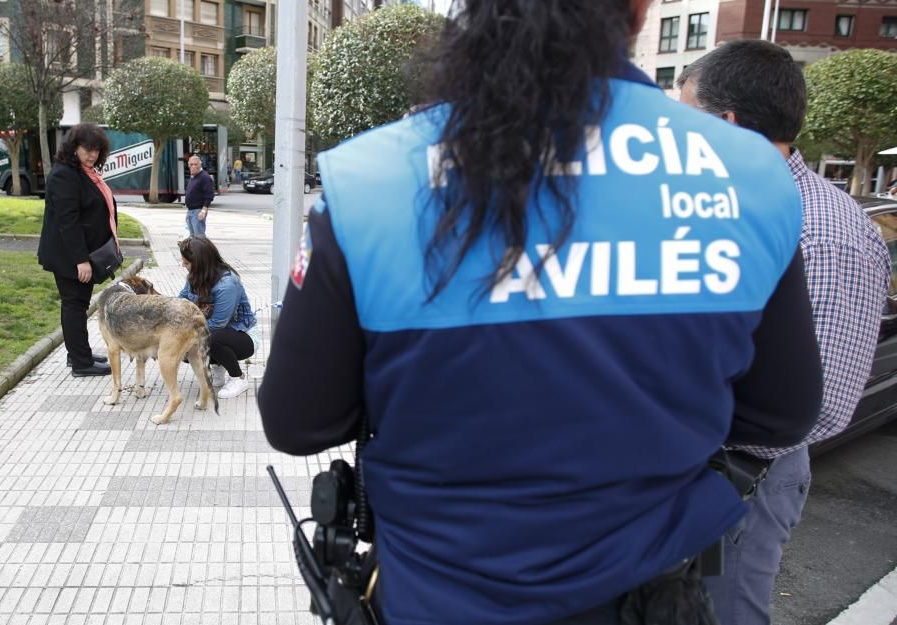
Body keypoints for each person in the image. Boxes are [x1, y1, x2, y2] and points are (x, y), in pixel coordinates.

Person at [258, 1, 824, 623]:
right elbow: (780, 415)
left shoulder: (370, 179)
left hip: (433, 598)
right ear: (638, 9)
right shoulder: (748, 175)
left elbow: (297, 422)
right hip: (647, 598)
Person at [676, 40, 890, 625]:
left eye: (683, 116)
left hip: (746, 475)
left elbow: (819, 406)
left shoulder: (825, 232)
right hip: (695, 464)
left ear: (727, 125)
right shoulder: (715, 207)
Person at [37, 123, 119, 377]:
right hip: (70, 257)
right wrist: (81, 260)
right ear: (74, 147)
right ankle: (81, 363)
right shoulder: (65, 174)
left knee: (78, 304)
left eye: (97, 150)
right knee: (74, 305)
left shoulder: (84, 172)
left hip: (81, 254)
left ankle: (78, 354)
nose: (92, 155)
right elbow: (68, 222)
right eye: (87, 149)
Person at [177, 236, 256, 400]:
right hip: (213, 331)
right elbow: (180, 301)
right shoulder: (194, 277)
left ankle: (238, 378)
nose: (182, 264)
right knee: (183, 346)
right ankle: (218, 368)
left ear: (200, 263)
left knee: (209, 338)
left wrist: (186, 334)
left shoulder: (227, 285)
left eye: (186, 262)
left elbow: (218, 324)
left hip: (242, 336)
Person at [185, 155, 214, 238]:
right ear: (188, 165)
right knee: (192, 237)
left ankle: (203, 251)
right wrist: (188, 212)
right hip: (191, 211)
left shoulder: (204, 177)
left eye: (195, 164)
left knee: (199, 237)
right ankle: (194, 251)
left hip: (198, 211)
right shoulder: (193, 177)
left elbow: (209, 195)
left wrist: (204, 210)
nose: (193, 166)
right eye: (191, 164)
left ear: (200, 165)